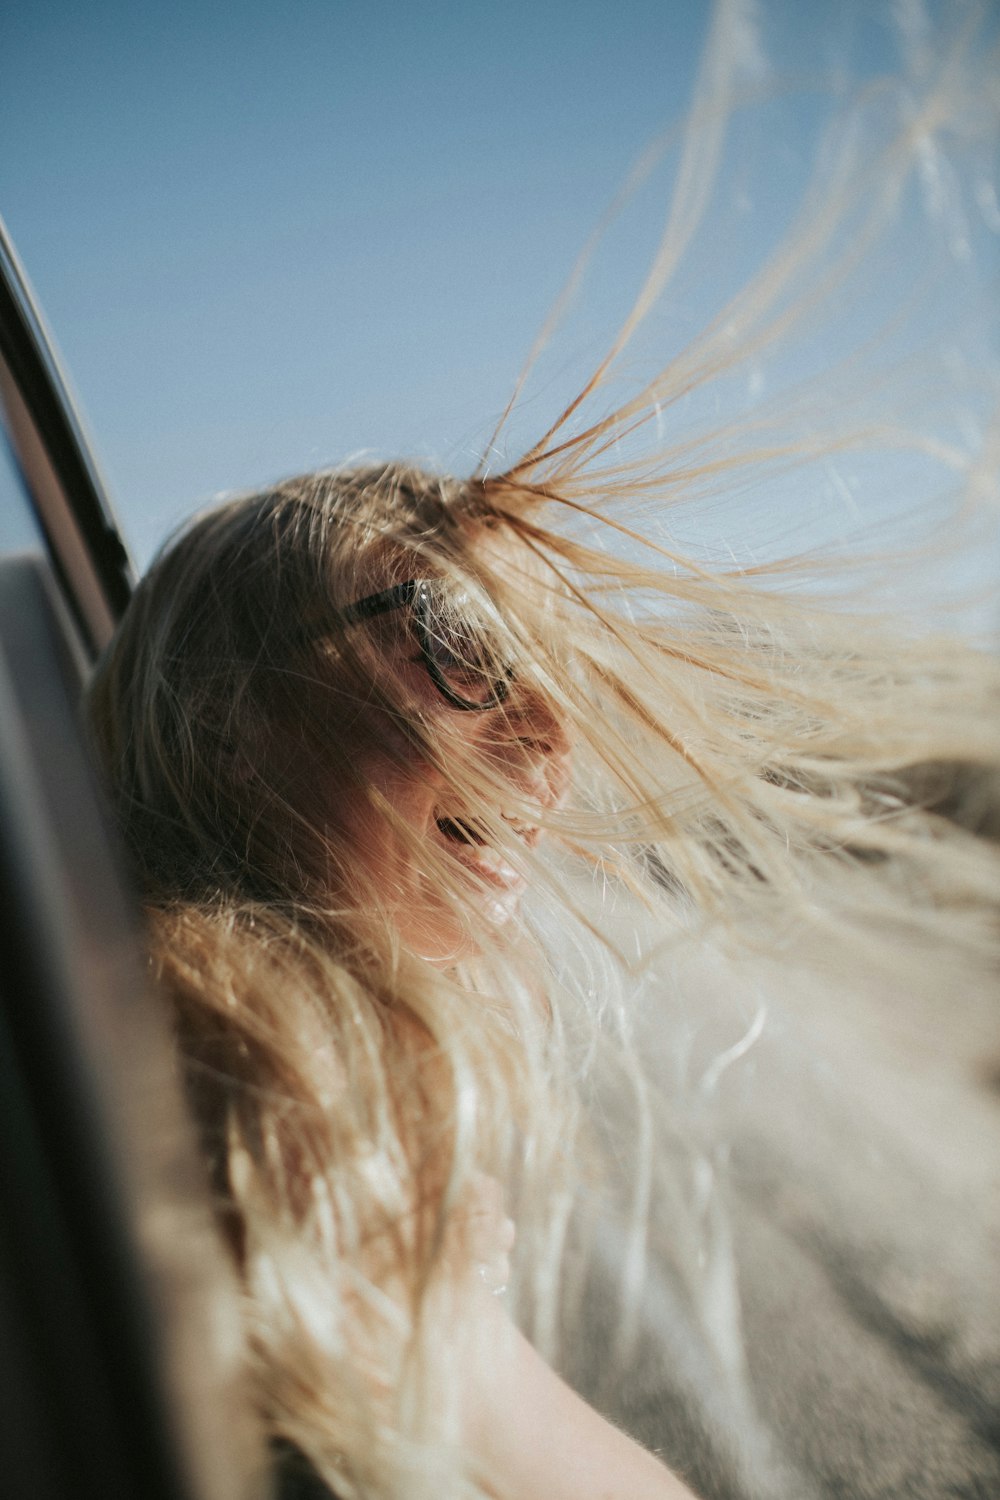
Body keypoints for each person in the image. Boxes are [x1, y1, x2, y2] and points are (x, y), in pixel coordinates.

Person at [86, 6, 1000, 1497]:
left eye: (549, 671)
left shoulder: (288, 1051)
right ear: (230, 707)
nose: (552, 731)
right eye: (460, 645)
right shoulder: (258, 1069)